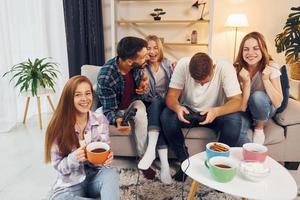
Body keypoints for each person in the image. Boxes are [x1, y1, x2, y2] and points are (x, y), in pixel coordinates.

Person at [160, 52, 243, 181]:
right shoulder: (183, 65)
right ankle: (185, 162)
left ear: (213, 67)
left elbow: (237, 101)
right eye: (197, 82)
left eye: (205, 81)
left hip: (215, 113)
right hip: (189, 112)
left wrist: (216, 111)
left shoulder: (224, 67)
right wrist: (177, 107)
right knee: (167, 116)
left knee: (235, 120)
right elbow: (171, 96)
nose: (201, 85)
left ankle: (218, 164)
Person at [45, 75, 119, 200]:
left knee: (110, 173)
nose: (84, 99)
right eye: (78, 94)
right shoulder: (57, 126)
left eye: (88, 93)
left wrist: (106, 158)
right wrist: (73, 158)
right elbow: (58, 166)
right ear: (69, 98)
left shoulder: (100, 120)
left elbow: (102, 157)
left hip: (94, 179)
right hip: (70, 184)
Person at [96, 36, 156, 179]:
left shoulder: (137, 66)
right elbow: (109, 110)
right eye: (143, 57)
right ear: (129, 61)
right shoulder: (106, 77)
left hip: (132, 104)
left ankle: (143, 158)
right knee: (96, 118)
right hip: (113, 107)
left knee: (141, 113)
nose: (146, 59)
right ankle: (99, 162)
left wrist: (143, 82)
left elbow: (142, 86)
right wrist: (117, 120)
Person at [234, 32, 283, 145]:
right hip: (246, 108)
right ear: (242, 52)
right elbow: (242, 107)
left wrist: (266, 80)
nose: (250, 53)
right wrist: (246, 83)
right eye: (246, 49)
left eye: (256, 48)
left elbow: (278, 103)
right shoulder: (237, 69)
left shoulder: (271, 66)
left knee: (257, 96)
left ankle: (259, 128)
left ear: (263, 50)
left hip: (265, 108)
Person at [137, 35, 174, 184]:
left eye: (155, 48)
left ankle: (151, 150)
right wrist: (142, 80)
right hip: (151, 104)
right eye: (149, 48)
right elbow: (143, 94)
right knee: (158, 108)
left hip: (168, 102)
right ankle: (165, 166)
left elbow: (176, 85)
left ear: (160, 49)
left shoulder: (168, 64)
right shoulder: (141, 68)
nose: (152, 52)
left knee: (160, 104)